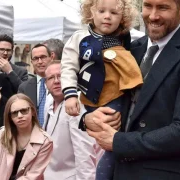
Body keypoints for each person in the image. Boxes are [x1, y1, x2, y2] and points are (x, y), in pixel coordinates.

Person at [81, 0, 180, 179]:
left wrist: (118, 142)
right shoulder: (130, 49)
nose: (153, 16)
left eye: (163, 7)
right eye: (148, 6)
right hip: (118, 172)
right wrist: (88, 118)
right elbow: (109, 97)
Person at [60, 0, 143, 179]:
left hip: (117, 97)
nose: (107, 16)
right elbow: (68, 66)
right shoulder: (79, 38)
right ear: (91, 12)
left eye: (114, 13)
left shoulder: (127, 39)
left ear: (123, 17)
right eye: (102, 11)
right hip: (88, 98)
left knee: (113, 142)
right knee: (101, 144)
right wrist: (69, 94)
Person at [43, 60, 98, 179]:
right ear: (46, 83)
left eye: (60, 76)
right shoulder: (48, 103)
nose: (56, 81)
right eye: (51, 78)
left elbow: (84, 152)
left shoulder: (77, 104)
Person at [0, 93, 53, 180]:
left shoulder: (45, 141)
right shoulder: (2, 134)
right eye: (14, 113)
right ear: (10, 117)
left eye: (24, 110)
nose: (19, 116)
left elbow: (33, 175)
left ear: (32, 112)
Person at [18, 44, 54, 127]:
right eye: (35, 58)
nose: (40, 61)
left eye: (43, 57)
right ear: (31, 62)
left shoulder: (62, 83)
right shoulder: (24, 88)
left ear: (51, 57)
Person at [0, 34, 28, 125]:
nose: (5, 53)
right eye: (1, 49)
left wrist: (10, 72)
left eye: (8, 50)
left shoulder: (20, 71)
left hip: (12, 120)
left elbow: (25, 93)